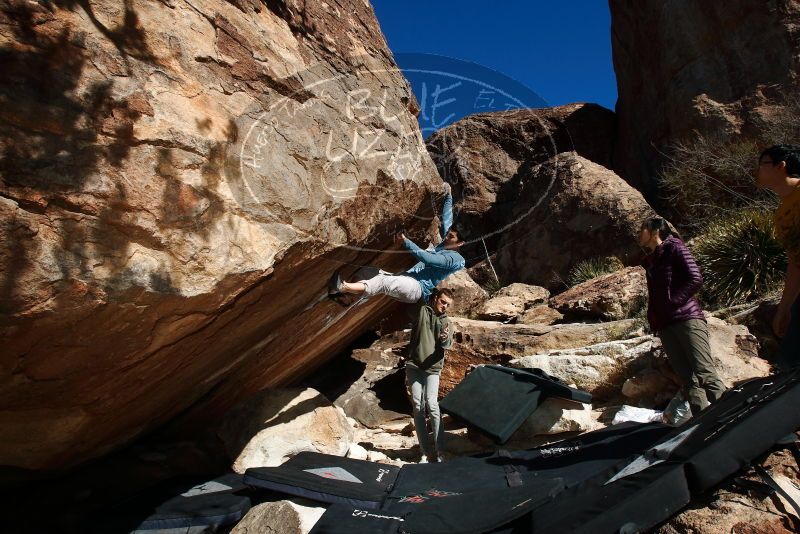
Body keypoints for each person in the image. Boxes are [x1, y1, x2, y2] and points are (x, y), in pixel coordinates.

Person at [639, 217, 726, 416]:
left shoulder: (675, 248)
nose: (639, 235)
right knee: (688, 381)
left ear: (654, 231)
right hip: (666, 324)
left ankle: (732, 418)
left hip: (687, 319)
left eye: (642, 230)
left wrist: (673, 302)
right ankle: (703, 424)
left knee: (705, 373)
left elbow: (695, 278)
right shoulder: (652, 261)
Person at [328, 183, 465, 304]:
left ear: (460, 243)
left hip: (416, 288)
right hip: (406, 278)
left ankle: (343, 287)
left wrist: (406, 242)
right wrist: (448, 196)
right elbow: (448, 220)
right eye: (448, 234)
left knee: (383, 281)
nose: (447, 236)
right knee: (368, 272)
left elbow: (429, 259)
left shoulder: (456, 260)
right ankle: (349, 299)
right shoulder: (448, 243)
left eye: (451, 236)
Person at [755, 144, 800, 369]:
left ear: (781, 166)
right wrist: (784, 308)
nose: (758, 170)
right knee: (788, 365)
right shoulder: (781, 214)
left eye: (763, 164)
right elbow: (795, 261)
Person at [405, 287, 455, 463]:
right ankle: (425, 451)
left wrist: (444, 337)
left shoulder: (446, 321)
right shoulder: (422, 311)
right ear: (435, 298)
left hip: (433, 368)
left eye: (448, 304)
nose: (444, 307)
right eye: (443, 302)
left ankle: (440, 450)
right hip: (415, 365)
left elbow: (447, 343)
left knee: (432, 405)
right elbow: (415, 297)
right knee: (418, 406)